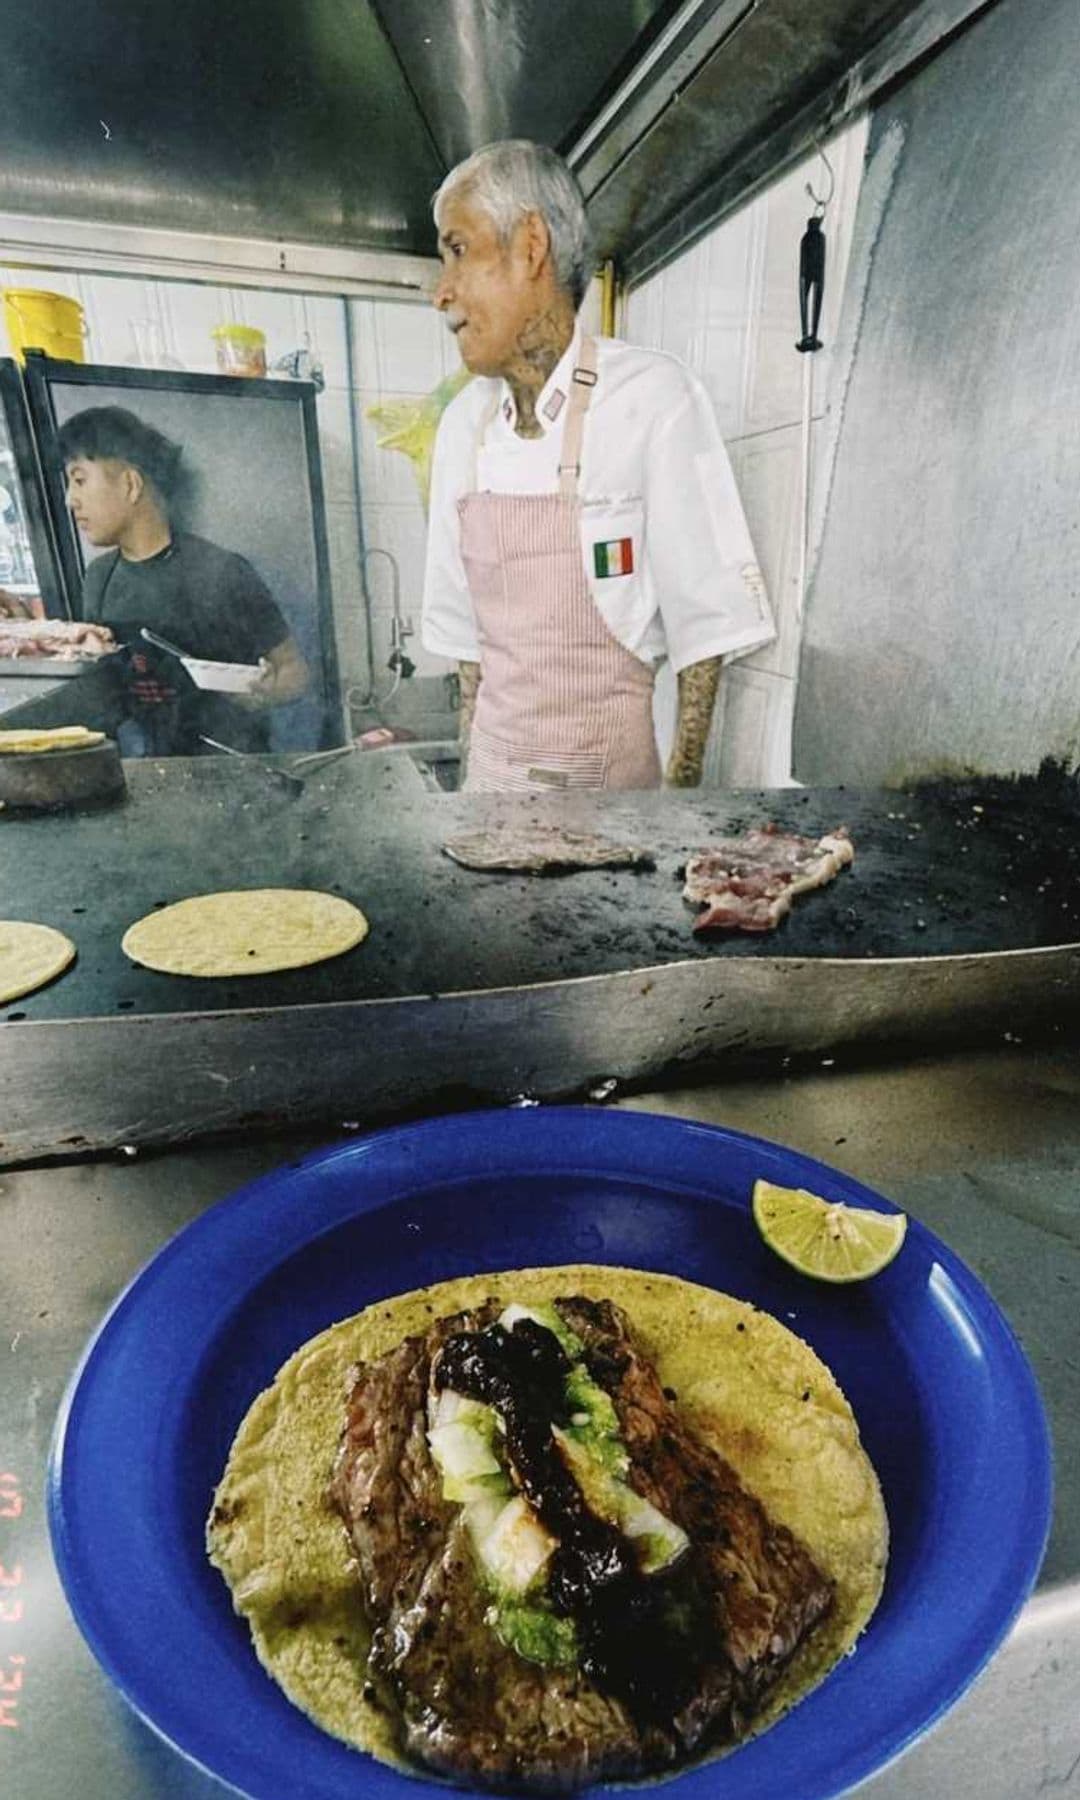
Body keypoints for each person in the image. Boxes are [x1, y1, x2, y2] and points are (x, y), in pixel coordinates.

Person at [421, 139, 775, 793]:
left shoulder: (653, 399)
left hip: (615, 812)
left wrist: (676, 812)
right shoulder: (461, 429)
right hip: (492, 795)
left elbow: (708, 635)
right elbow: (469, 654)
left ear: (531, 246)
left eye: (458, 250)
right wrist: (468, 800)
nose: (442, 293)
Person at [56, 406, 308, 757]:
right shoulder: (100, 578)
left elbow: (296, 672)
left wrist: (266, 691)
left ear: (130, 484)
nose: (70, 500)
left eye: (80, 479)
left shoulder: (222, 571)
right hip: (148, 768)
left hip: (233, 768)